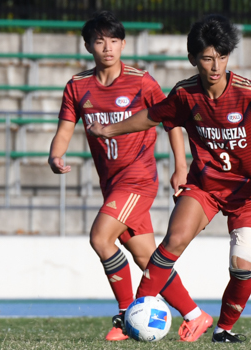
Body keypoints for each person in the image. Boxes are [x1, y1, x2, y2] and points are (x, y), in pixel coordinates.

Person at [88, 14, 251, 343]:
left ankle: (223, 328)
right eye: (207, 58)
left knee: (242, 265)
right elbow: (151, 116)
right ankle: (133, 316)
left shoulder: (250, 93)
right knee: (173, 241)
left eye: (222, 57)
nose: (216, 65)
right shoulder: (185, 94)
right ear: (193, 58)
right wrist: (109, 129)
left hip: (250, 193)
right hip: (205, 186)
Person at [48, 11, 212, 342]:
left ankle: (125, 315)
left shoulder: (141, 81)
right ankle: (196, 315)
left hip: (138, 179)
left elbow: (172, 122)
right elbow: (65, 128)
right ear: (87, 46)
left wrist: (181, 166)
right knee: (145, 257)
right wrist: (55, 154)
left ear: (123, 44)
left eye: (113, 40)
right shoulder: (78, 86)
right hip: (111, 183)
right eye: (99, 40)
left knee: (100, 238)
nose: (107, 47)